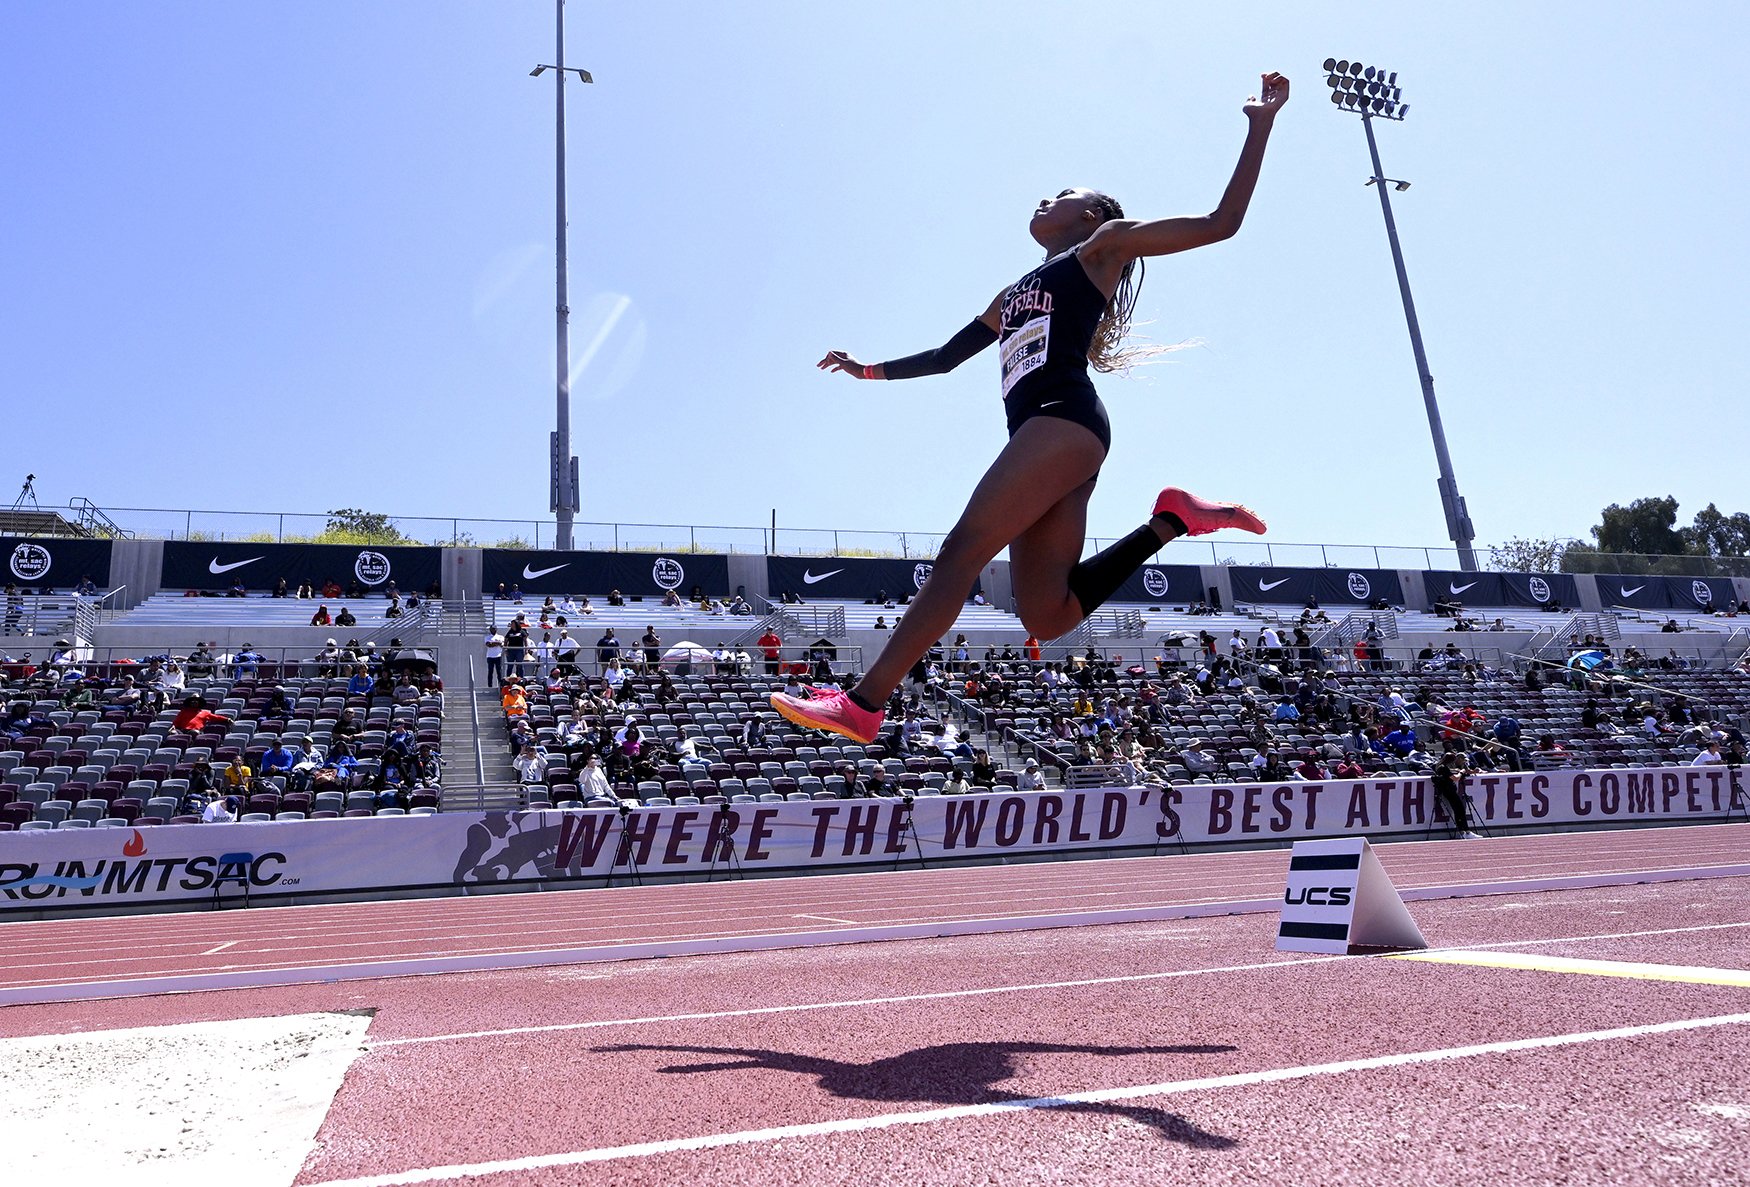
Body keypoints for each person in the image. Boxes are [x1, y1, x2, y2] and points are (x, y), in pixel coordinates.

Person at [770, 74, 1288, 745]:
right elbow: (946, 356)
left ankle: (865, 703)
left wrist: (1260, 124)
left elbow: (1222, 224)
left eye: (1063, 194)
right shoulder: (1014, 292)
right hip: (1050, 433)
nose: (1045, 198)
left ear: (1091, 217)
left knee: (961, 550)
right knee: (1047, 615)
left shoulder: (1103, 248)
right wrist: (865, 368)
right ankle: (1171, 520)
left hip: (1063, 418)